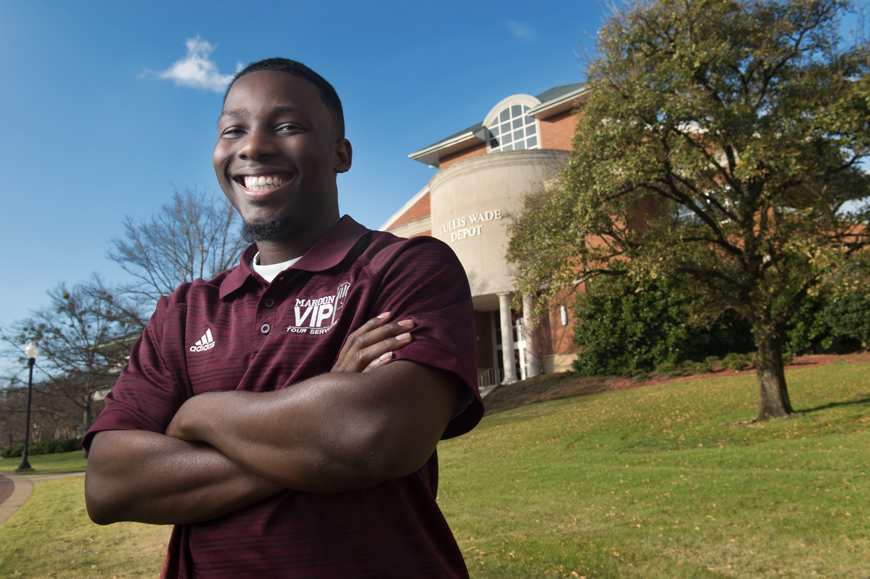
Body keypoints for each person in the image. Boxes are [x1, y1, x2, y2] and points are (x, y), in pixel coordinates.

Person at [84, 57, 483, 578]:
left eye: (288, 126)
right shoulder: (182, 312)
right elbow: (110, 484)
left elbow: (378, 437)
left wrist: (198, 415)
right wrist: (323, 408)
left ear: (340, 153)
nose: (252, 147)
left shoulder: (405, 267)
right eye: (233, 130)